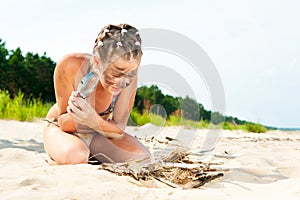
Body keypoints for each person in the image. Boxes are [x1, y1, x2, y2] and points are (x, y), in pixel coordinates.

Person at [43, 24, 150, 165]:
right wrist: (83, 117)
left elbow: (118, 130)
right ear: (98, 62)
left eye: (131, 73)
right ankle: (67, 153)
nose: (123, 81)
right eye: (117, 72)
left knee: (142, 158)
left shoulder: (129, 79)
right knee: (75, 155)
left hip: (98, 133)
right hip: (64, 130)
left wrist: (93, 120)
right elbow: (64, 124)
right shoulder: (70, 65)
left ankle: (90, 153)